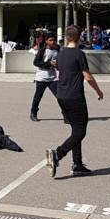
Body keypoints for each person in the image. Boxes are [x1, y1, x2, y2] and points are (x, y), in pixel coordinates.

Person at [45, 25, 104, 178]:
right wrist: (98, 91)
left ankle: (77, 164)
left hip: (62, 95)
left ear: (67, 37)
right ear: (79, 37)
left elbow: (59, 68)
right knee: (80, 131)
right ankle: (58, 154)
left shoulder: (61, 53)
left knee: (75, 130)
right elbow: (88, 76)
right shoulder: (79, 54)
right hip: (75, 97)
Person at [30, 32, 59, 122]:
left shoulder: (58, 49)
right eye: (50, 40)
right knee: (38, 97)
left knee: (60, 96)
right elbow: (36, 62)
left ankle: (66, 115)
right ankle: (33, 113)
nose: (53, 42)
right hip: (41, 78)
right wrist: (49, 63)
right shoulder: (42, 50)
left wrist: (58, 64)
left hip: (53, 78)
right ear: (46, 41)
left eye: (54, 40)